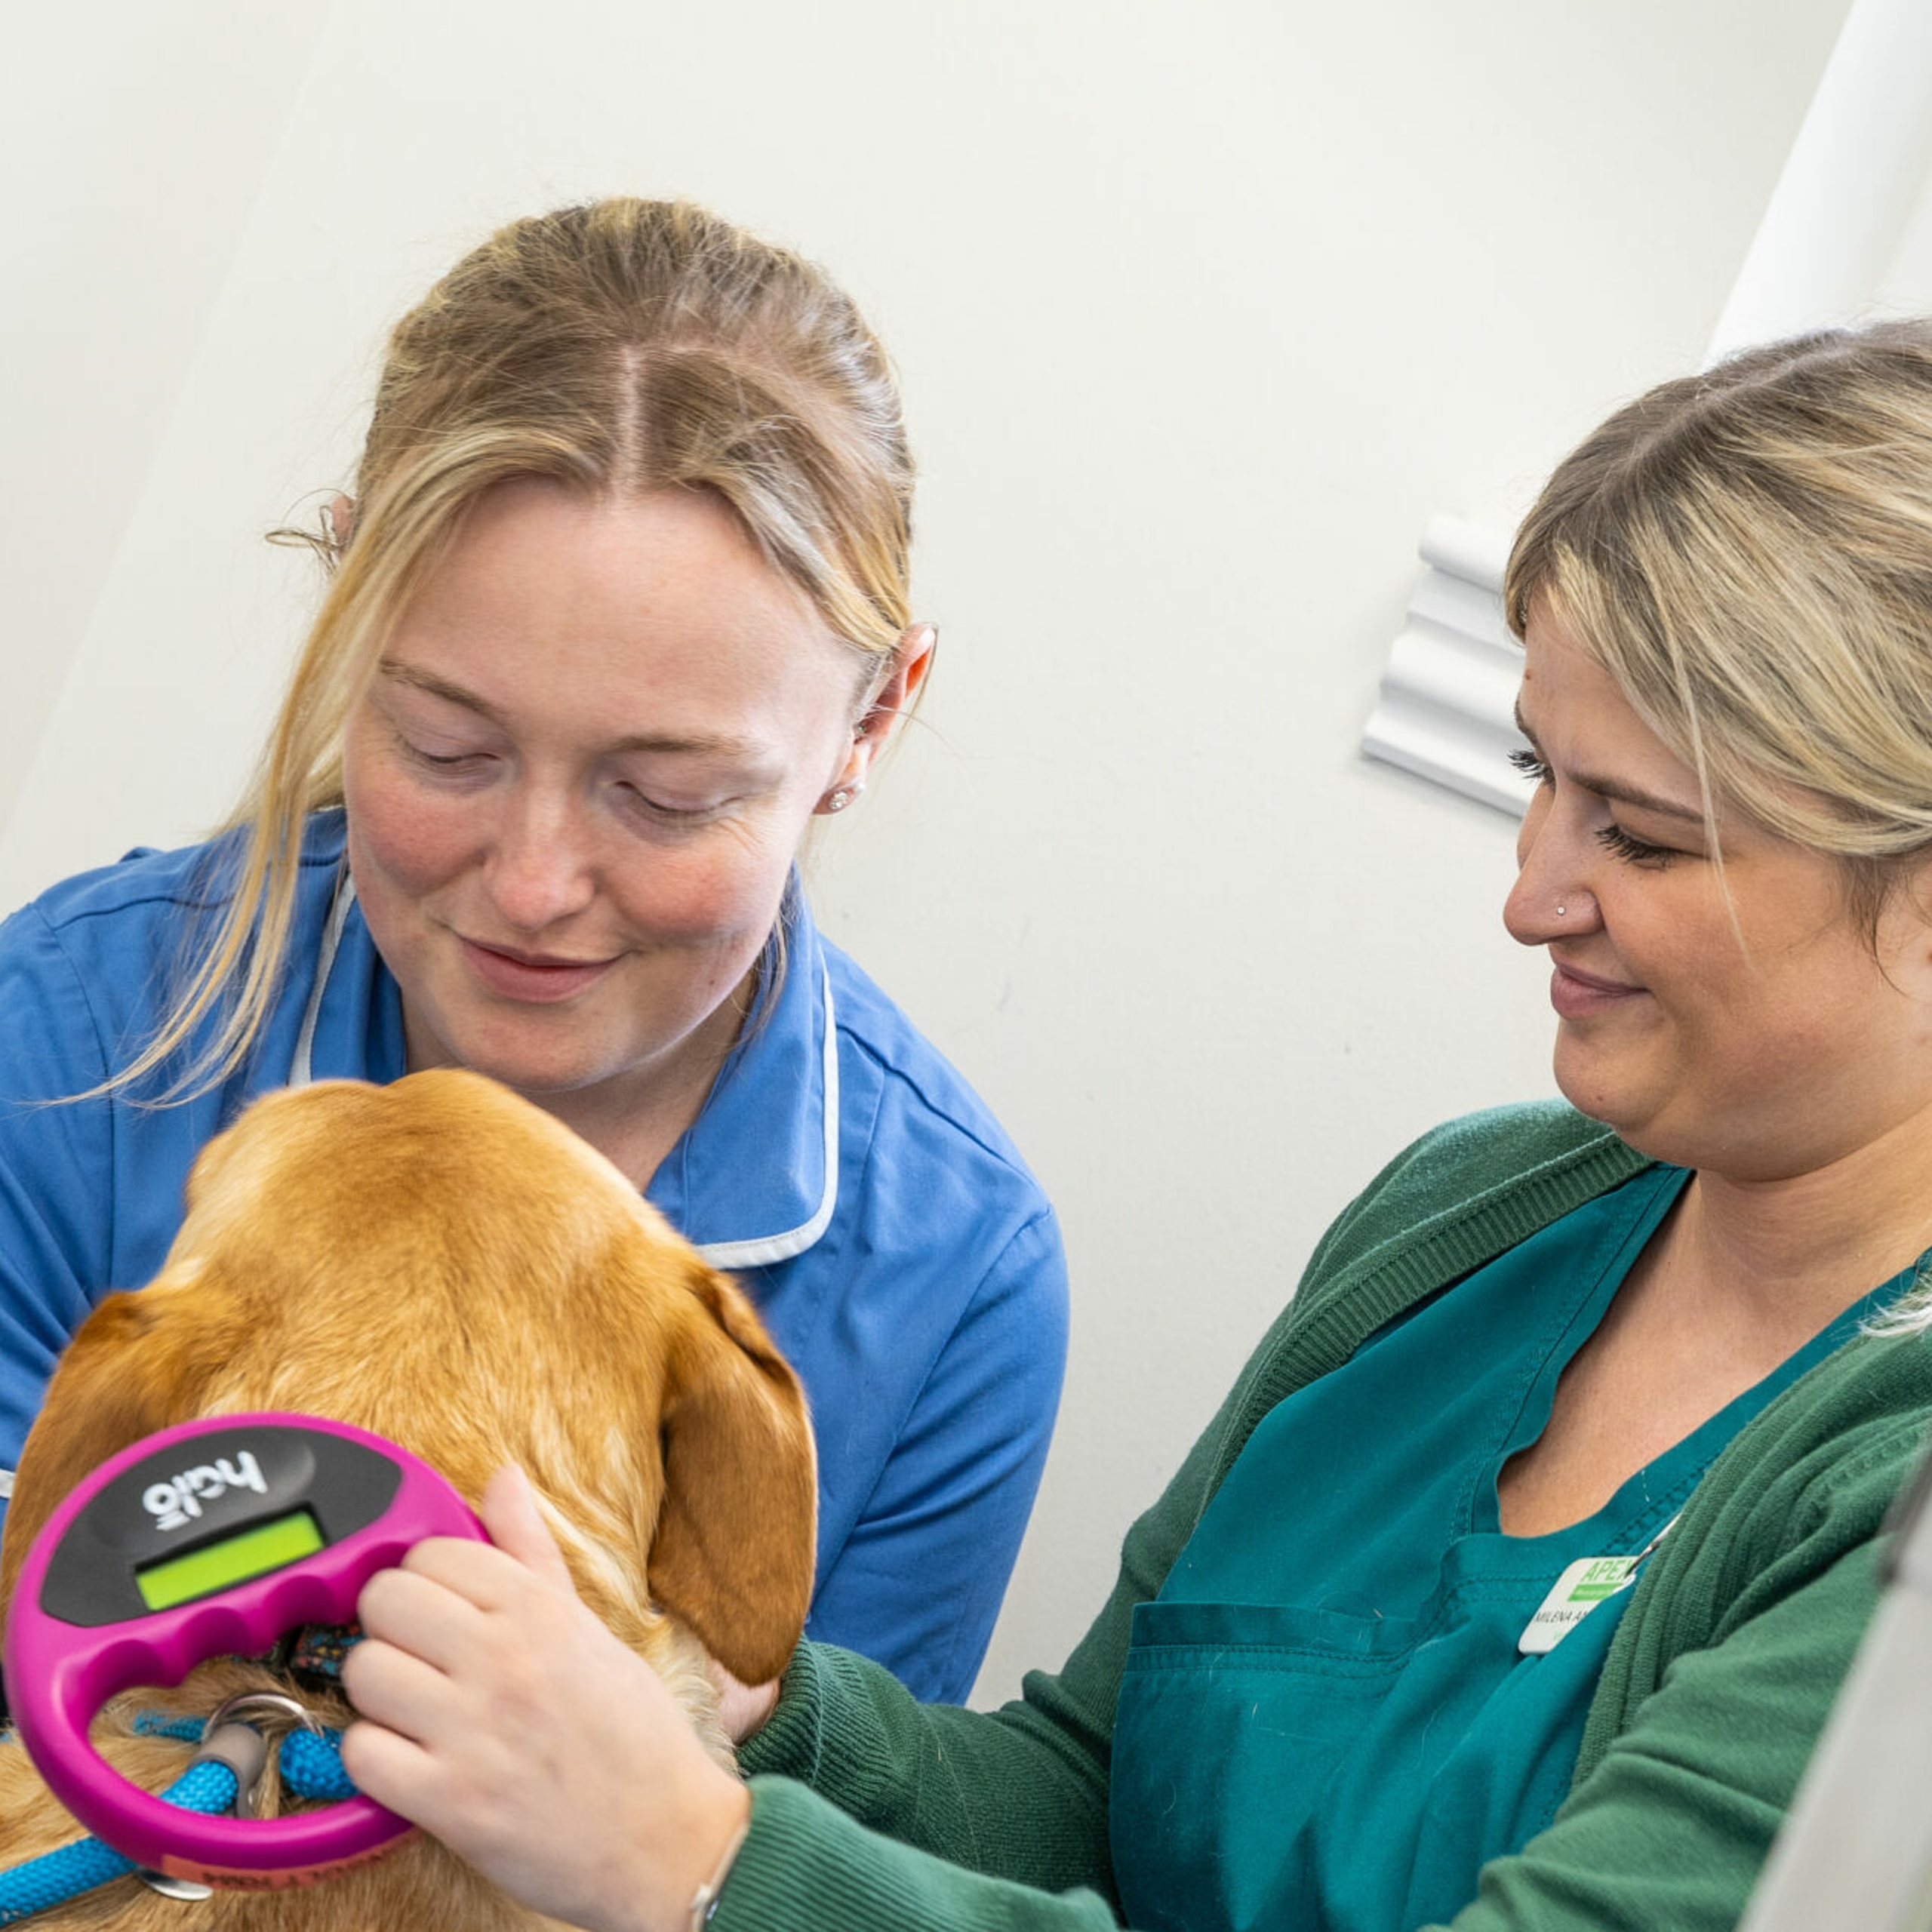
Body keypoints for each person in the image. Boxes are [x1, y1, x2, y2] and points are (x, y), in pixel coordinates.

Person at [338, 317, 1932, 1932]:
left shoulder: (1892, 1484)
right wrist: (713, 1684)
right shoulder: (1464, 1223)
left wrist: (692, 1860)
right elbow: (1076, 1798)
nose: (1529, 894)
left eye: (1641, 837)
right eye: (1539, 771)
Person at [0, 198, 1068, 1706]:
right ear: (347, 599)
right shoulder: (72, 1040)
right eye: (447, 747)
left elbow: (795, 1847)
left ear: (871, 720)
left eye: (667, 791)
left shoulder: (951, 1277)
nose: (534, 881)